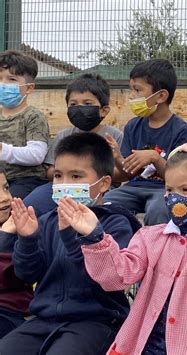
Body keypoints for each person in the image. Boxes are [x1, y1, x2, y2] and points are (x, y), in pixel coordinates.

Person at [68, 142, 187, 354]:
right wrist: (95, 237)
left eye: (185, 189)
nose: (174, 197)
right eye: (169, 189)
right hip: (148, 346)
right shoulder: (150, 237)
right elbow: (116, 277)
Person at [0, 133, 141, 354]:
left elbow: (105, 279)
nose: (64, 184)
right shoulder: (47, 221)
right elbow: (28, 274)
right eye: (58, 175)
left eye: (76, 176)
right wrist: (27, 240)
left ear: (104, 183)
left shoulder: (115, 223)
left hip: (95, 321)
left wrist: (75, 236)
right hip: (44, 319)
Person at [104, 59, 187, 226]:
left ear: (161, 96)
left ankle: (155, 251)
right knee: (107, 203)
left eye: (137, 90)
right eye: (131, 89)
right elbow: (128, 174)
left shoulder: (181, 130)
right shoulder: (132, 126)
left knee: (159, 211)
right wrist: (117, 156)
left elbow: (182, 177)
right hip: (134, 188)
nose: (131, 96)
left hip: (165, 190)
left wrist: (155, 158)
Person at [24, 73, 123, 216]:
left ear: (103, 110)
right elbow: (50, 170)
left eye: (87, 104)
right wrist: (65, 175)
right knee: (31, 205)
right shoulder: (63, 135)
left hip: (101, 191)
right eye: (73, 104)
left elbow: (123, 174)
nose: (80, 108)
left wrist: (87, 175)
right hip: (60, 189)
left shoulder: (114, 136)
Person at [0, 50, 49, 199]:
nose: (3, 84)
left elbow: (36, 155)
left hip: (26, 180)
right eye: (0, 78)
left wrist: (3, 150)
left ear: (29, 88)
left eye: (12, 79)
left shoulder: (33, 116)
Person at [0, 166, 33, 338]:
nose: (5, 198)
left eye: (6, 188)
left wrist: (4, 238)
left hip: (11, 314)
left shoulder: (21, 228)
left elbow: (25, 274)